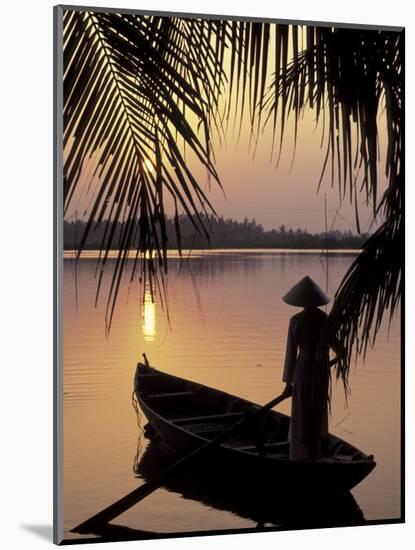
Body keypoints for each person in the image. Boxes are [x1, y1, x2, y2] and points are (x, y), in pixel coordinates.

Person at [280, 276, 343, 461]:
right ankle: (316, 449)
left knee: (302, 409)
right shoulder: (324, 319)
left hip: (303, 370)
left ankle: (302, 453)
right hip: (321, 369)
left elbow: (291, 356)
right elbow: (339, 349)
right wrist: (339, 356)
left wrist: (287, 385)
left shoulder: (296, 320)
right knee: (317, 406)